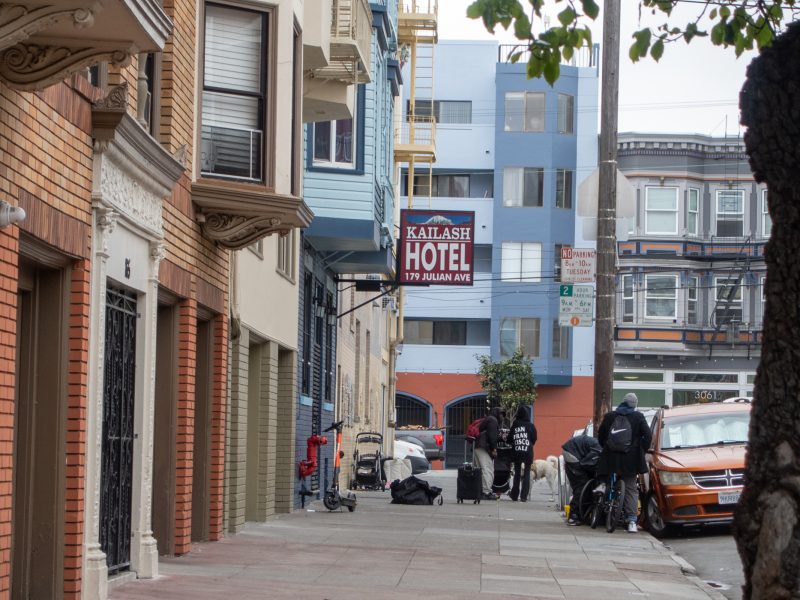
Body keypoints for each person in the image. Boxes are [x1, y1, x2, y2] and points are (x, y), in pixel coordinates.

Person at [596, 393, 652, 533]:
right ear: (634, 405)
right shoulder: (638, 417)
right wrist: (641, 450)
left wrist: (606, 448)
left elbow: (601, 435)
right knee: (631, 488)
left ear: (623, 402)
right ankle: (632, 521)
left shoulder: (610, 416)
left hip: (610, 457)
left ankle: (603, 489)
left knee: (608, 479)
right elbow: (648, 435)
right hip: (631, 459)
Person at [562, 433, 602, 524]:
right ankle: (574, 515)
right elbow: (587, 463)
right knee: (582, 485)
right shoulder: (599, 448)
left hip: (572, 451)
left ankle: (580, 514)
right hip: (573, 453)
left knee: (582, 485)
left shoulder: (598, 445)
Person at [509, 406, 537, 502]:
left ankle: (514, 495)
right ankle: (524, 496)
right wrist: (528, 443)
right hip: (528, 451)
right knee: (527, 473)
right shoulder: (531, 425)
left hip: (517, 451)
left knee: (517, 473)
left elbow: (509, 439)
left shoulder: (515, 424)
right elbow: (534, 438)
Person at [475, 406, 502, 500]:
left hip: (478, 446)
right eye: (501, 414)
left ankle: (480, 491)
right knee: (488, 470)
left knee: (480, 470)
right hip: (484, 448)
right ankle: (486, 492)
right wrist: (494, 449)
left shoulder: (488, 419)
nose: (502, 417)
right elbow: (492, 436)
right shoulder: (493, 421)